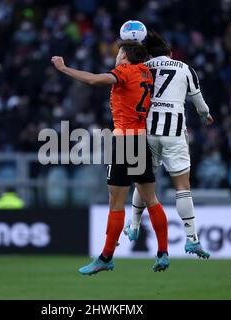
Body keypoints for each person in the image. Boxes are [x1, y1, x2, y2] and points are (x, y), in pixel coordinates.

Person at [51, 40, 170, 275]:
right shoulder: (146, 72)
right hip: (142, 140)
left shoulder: (124, 71)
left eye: (119, 53)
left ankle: (106, 257)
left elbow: (94, 80)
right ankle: (163, 252)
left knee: (116, 203)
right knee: (151, 199)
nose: (116, 57)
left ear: (125, 56)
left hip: (125, 141)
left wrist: (64, 69)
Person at [124, 32, 214, 259]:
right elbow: (199, 102)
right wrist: (206, 115)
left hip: (148, 132)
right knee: (182, 187)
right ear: (170, 53)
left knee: (144, 182)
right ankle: (192, 239)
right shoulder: (184, 68)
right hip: (174, 133)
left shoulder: (143, 67)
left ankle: (134, 225)